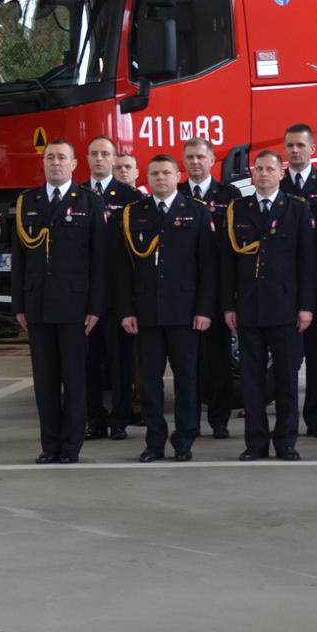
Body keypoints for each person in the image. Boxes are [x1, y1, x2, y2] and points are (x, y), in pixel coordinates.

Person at [117, 155, 216, 463]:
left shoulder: (196, 211)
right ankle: (154, 442)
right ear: (147, 178)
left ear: (177, 176)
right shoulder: (134, 213)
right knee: (149, 382)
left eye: (166, 173)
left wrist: (204, 309)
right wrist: (126, 310)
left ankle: (184, 440)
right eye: (155, 173)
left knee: (187, 380)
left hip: (185, 313)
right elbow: (123, 269)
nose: (160, 178)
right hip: (146, 313)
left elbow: (208, 266)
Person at [10, 140, 104, 464]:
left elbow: (100, 260)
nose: (55, 163)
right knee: (45, 381)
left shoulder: (89, 202)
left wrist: (95, 307)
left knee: (75, 380)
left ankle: (70, 447)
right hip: (38, 305)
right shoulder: (28, 202)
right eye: (50, 157)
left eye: (62, 157)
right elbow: (19, 258)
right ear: (43, 163)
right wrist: (19, 304)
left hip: (75, 307)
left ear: (74, 164)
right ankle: (49, 446)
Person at [224, 150, 316, 462]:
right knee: (252, 382)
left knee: (287, 380)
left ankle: (286, 442)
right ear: (252, 174)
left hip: (286, 308)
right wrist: (228, 306)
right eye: (259, 169)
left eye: (269, 169)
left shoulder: (297, 208)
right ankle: (256, 443)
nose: (263, 174)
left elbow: (307, 262)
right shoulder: (238, 209)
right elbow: (227, 263)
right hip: (248, 308)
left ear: (281, 174)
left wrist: (306, 306)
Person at [278, 123, 317, 434]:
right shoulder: (277, 183)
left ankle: (315, 417)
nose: (294, 150)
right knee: (286, 360)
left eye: (300, 145)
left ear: (312, 149)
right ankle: (286, 419)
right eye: (290, 145)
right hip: (285, 286)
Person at [178, 137, 242, 438]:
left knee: (218, 361)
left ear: (212, 160)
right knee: (187, 364)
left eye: (200, 157)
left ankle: (219, 420)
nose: (195, 162)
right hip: (183, 291)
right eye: (190, 157)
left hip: (218, 289)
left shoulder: (229, 195)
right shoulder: (176, 193)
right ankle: (189, 422)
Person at [82, 135, 141, 440]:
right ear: (86, 159)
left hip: (119, 293)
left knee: (120, 362)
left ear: (114, 159)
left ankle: (120, 419)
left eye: (105, 154)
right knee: (88, 361)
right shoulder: (77, 195)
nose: (99, 159)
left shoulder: (130, 197)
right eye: (94, 154)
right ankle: (94, 419)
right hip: (85, 293)